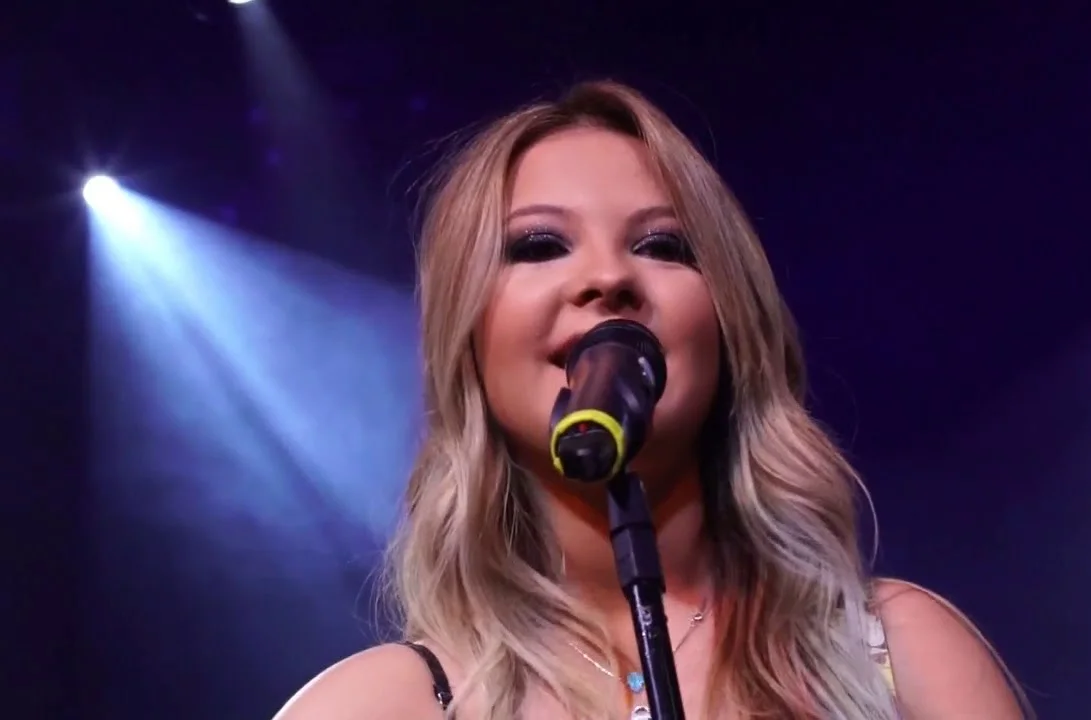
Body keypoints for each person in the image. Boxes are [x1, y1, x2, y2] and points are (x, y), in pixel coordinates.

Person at [274, 80, 1030, 719]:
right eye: (539, 245)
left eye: (662, 245)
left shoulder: (901, 652)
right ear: (465, 341)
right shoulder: (382, 703)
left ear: (731, 325)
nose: (608, 279)